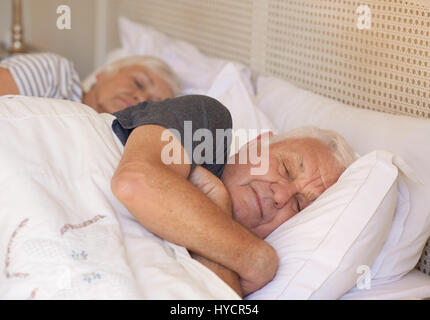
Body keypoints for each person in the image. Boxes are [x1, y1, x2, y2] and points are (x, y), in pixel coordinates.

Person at [109, 94, 357, 297]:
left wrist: (220, 210)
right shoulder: (208, 123)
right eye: (286, 169)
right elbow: (135, 181)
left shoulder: (233, 265)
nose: (281, 195)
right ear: (255, 146)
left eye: (300, 205)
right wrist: (258, 260)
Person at [0, 52, 181, 113]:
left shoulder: (117, 149)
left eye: (150, 103)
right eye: (138, 83)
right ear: (103, 73)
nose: (140, 98)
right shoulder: (55, 75)